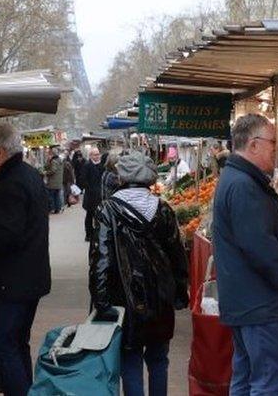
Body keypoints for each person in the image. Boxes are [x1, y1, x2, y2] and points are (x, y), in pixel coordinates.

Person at [212, 114, 278, 395]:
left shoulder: (237, 178)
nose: (275, 150)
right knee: (269, 382)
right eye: (272, 143)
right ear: (253, 145)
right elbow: (258, 245)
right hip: (260, 304)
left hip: (246, 303)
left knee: (246, 377)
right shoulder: (243, 185)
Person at [90, 151, 189, 396]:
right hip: (160, 297)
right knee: (158, 360)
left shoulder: (107, 210)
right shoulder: (163, 209)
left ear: (121, 177)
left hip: (123, 298)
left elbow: (100, 258)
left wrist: (101, 301)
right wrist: (179, 292)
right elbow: (178, 255)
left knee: (129, 361)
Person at [0, 121, 51, 396]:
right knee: (18, 344)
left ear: (1, 151)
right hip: (28, 277)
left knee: (5, 346)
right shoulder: (27, 175)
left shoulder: (11, 182)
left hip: (12, 281)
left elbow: (7, 235)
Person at [80, 147, 106, 241]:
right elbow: (83, 180)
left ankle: (98, 234)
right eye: (95, 154)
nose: (97, 156)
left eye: (98, 154)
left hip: (100, 195)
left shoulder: (102, 165)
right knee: (89, 215)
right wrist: (90, 188)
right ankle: (89, 234)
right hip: (90, 196)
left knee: (99, 216)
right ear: (90, 155)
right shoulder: (87, 165)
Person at [44, 146, 64, 214]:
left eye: (49, 153)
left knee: (51, 196)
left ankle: (52, 209)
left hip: (52, 182)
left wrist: (46, 173)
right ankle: (57, 209)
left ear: (52, 154)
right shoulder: (60, 160)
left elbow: (53, 170)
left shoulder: (53, 161)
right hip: (58, 182)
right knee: (57, 196)